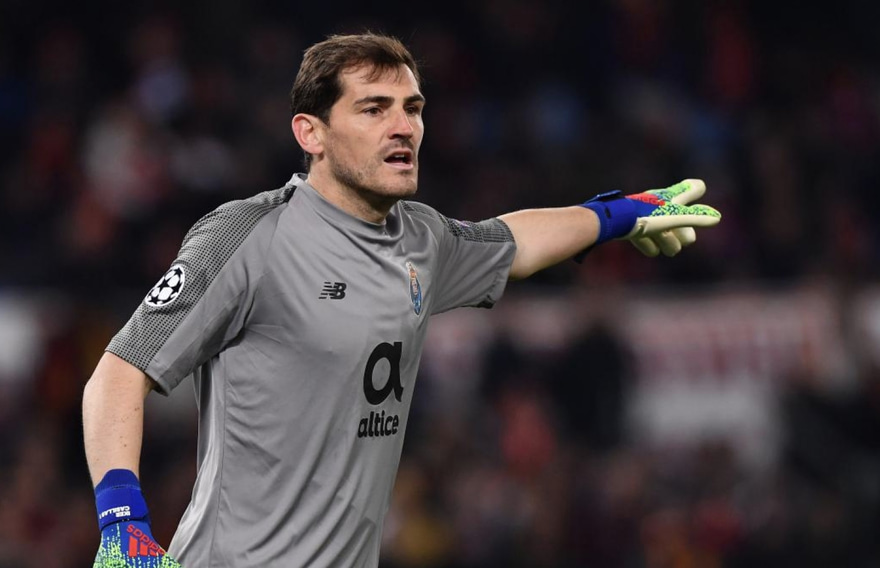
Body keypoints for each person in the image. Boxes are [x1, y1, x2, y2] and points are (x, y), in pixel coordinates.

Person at [82, 32, 720, 567]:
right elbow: (118, 374)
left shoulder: (421, 239)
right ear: (311, 133)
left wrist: (619, 214)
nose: (403, 127)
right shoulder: (249, 236)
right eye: (374, 109)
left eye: (412, 108)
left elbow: (516, 241)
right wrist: (121, 523)